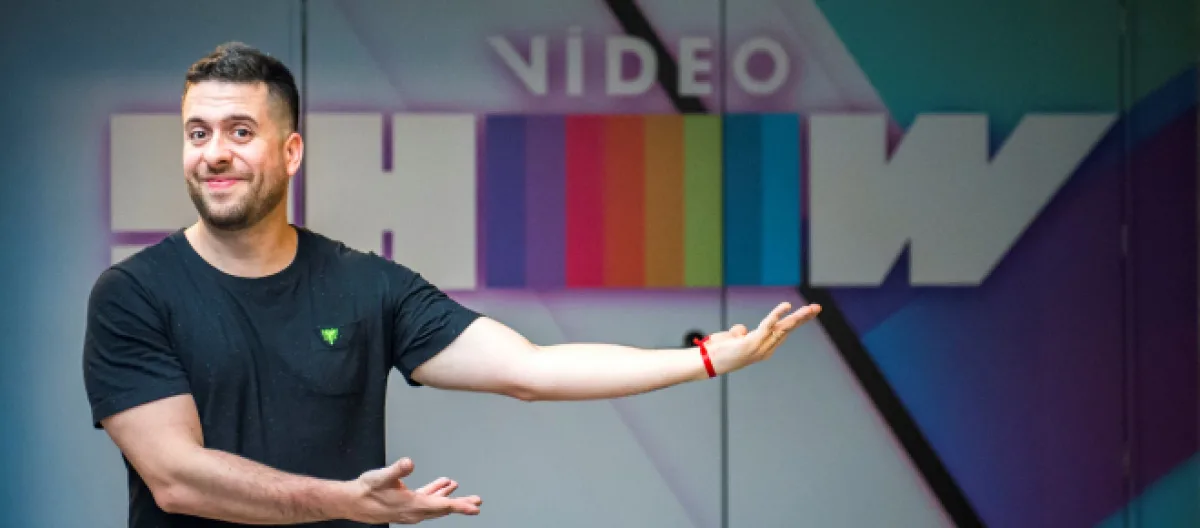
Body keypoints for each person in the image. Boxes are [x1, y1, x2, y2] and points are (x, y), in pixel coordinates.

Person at [82, 41, 822, 528]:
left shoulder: (366, 285)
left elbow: (531, 369)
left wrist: (705, 359)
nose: (214, 153)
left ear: (292, 150)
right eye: (199, 132)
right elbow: (176, 478)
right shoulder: (134, 295)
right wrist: (343, 502)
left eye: (240, 132)